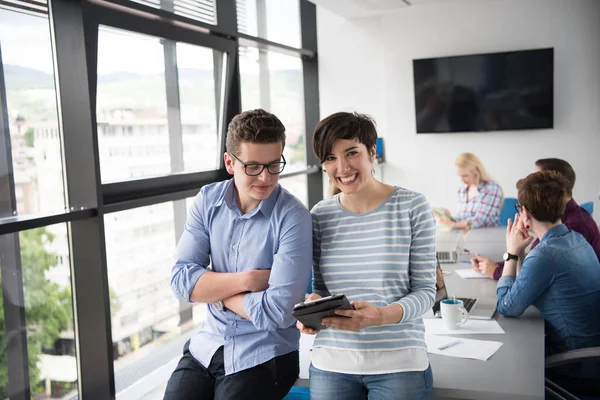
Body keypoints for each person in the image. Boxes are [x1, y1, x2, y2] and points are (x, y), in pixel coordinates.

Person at [165, 109, 312, 400]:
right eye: (254, 166)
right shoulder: (208, 200)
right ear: (230, 163)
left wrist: (216, 293)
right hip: (207, 346)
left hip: (265, 354)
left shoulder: (293, 217)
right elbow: (181, 280)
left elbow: (279, 312)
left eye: (273, 165)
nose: (266, 177)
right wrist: (248, 280)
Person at [299, 112, 436, 400]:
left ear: (372, 153)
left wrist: (382, 316)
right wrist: (312, 306)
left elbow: (425, 292)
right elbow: (321, 289)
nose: (343, 167)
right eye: (331, 158)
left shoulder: (412, 207)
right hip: (332, 361)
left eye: (352, 153)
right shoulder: (319, 215)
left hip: (400, 360)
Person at [496, 170, 600, 397]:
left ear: (524, 213)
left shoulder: (545, 255)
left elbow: (506, 306)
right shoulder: (576, 238)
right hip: (592, 355)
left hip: (576, 366)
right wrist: (521, 253)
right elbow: (531, 283)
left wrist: (511, 252)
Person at [472, 158, 600, 279]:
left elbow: (535, 273)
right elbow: (532, 261)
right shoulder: (555, 217)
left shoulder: (574, 225)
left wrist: (495, 271)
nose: (529, 183)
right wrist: (492, 264)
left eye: (535, 179)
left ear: (551, 184)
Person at [436, 152, 503, 229]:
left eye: (465, 176)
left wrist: (452, 225)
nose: (462, 180)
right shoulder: (462, 190)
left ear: (476, 172)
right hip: (466, 235)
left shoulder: (491, 189)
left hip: (486, 237)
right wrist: (448, 215)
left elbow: (480, 220)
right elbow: (461, 217)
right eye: (460, 176)